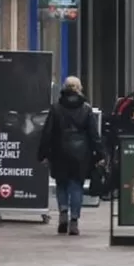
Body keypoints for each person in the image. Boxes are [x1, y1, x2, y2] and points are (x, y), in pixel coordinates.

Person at [38, 76, 105, 235]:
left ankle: (63, 212)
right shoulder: (86, 109)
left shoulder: (56, 108)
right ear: (79, 88)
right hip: (81, 154)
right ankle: (74, 220)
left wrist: (42, 153)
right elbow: (94, 135)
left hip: (59, 151)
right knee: (76, 185)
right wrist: (101, 153)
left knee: (62, 183)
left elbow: (47, 133)